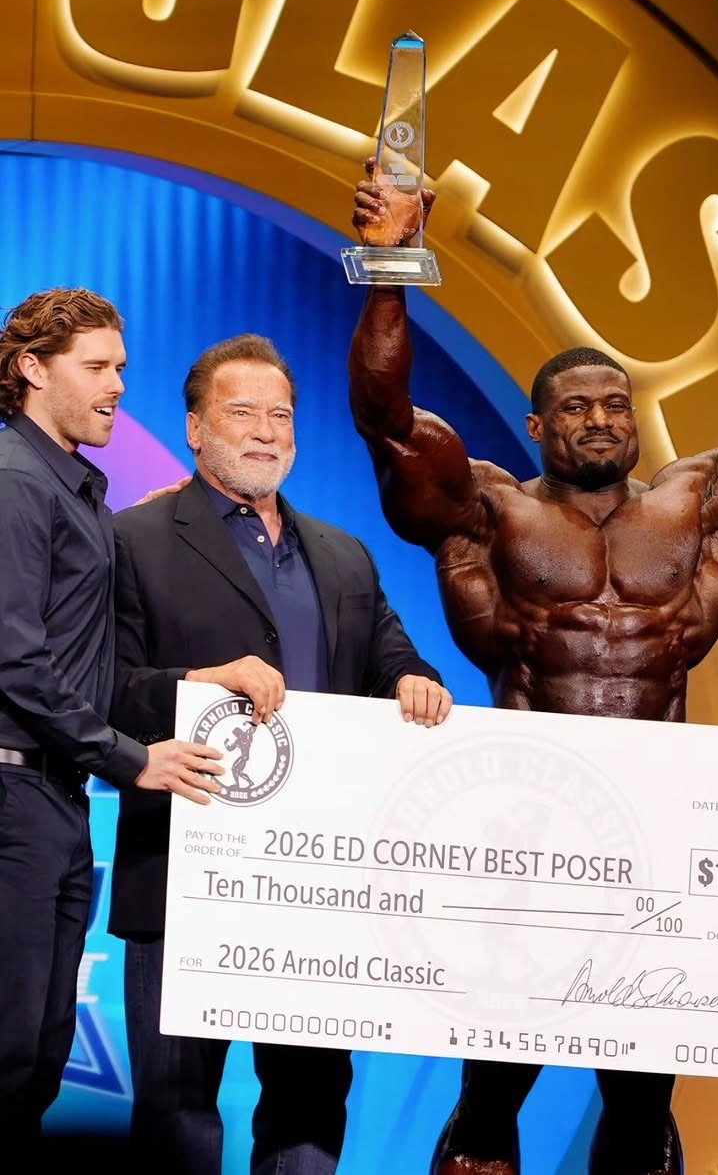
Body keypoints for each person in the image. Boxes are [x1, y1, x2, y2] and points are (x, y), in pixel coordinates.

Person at [346, 152, 718, 1175]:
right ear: (539, 427)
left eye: (615, 405)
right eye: (577, 408)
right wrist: (392, 259)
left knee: (639, 1097)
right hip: (523, 837)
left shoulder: (697, 505)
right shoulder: (488, 510)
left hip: (656, 840)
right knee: (493, 1095)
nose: (600, 421)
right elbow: (387, 417)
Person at [107, 332, 452, 1175]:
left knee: (307, 1104)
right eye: (241, 412)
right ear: (194, 428)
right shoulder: (132, 538)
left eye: (281, 415)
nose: (266, 431)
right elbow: (98, 689)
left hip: (315, 881)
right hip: (184, 869)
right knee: (176, 1108)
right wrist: (198, 681)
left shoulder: (343, 554)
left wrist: (417, 683)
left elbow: (393, 658)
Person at [0, 288, 224, 1169]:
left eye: (121, 368)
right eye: (96, 367)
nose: (117, 386)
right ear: (30, 369)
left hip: (51, 799)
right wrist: (130, 759)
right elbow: (15, 660)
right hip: (15, 796)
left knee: (36, 1057)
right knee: (12, 1051)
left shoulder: (72, 487)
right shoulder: (18, 483)